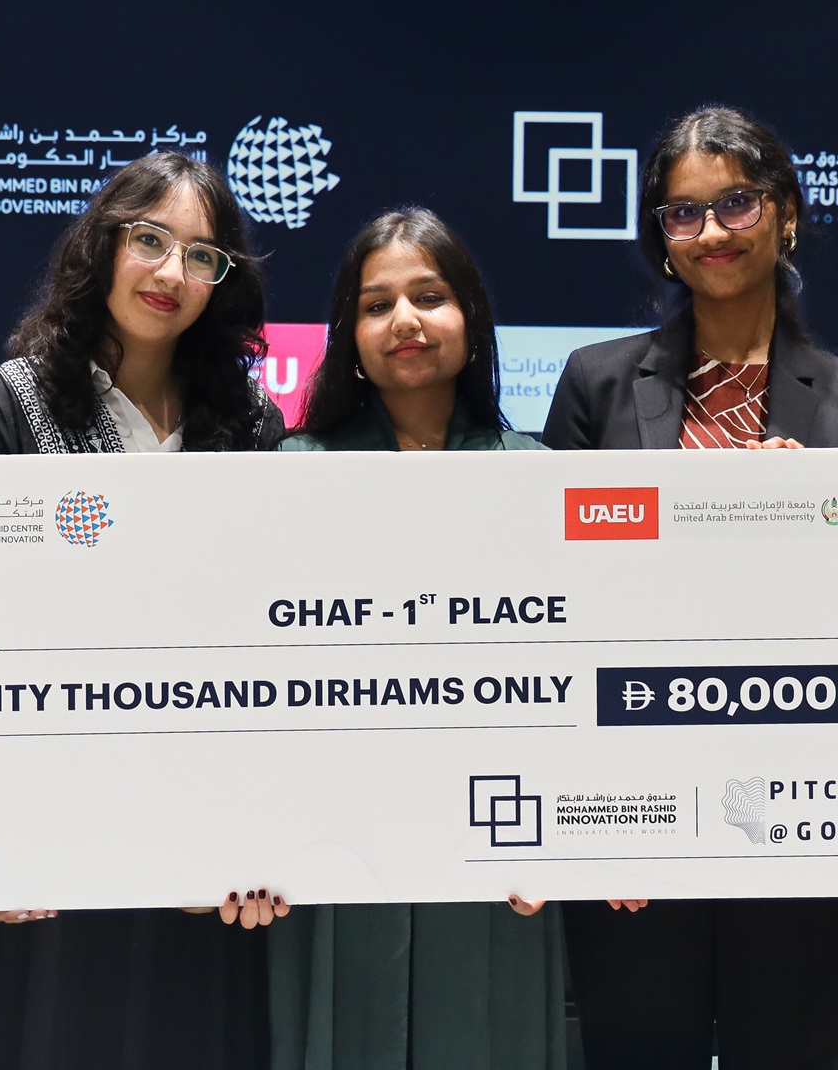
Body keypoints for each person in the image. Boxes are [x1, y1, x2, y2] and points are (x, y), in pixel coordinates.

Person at [543, 107, 838, 1070]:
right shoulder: (596, 383)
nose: (711, 232)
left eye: (736, 203)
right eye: (683, 213)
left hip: (797, 807)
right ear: (661, 236)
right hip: (632, 803)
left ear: (787, 215)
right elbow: (552, 599)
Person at [0, 150, 290, 1070]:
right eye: (150, 240)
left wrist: (268, 835)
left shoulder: (253, 424)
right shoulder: (12, 401)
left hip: (207, 833)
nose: (171, 272)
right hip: (53, 834)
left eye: (201, 255)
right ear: (103, 246)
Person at [272, 208, 564, 1070]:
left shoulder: (536, 474)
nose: (404, 319)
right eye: (377, 304)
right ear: (350, 337)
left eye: (430, 297)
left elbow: (569, 685)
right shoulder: (291, 473)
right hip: (329, 849)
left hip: (497, 849)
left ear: (471, 319)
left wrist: (564, 840)